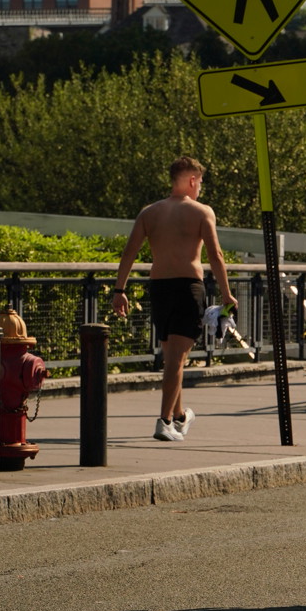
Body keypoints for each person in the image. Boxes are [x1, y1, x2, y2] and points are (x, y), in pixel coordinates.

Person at [113, 156, 237, 441]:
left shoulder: (149, 212)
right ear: (192, 180)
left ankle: (180, 415)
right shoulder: (202, 212)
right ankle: (164, 421)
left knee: (172, 358)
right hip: (187, 288)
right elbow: (215, 255)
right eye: (200, 182)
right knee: (176, 361)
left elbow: (129, 252)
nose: (200, 188)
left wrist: (119, 291)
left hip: (159, 289)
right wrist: (227, 293)